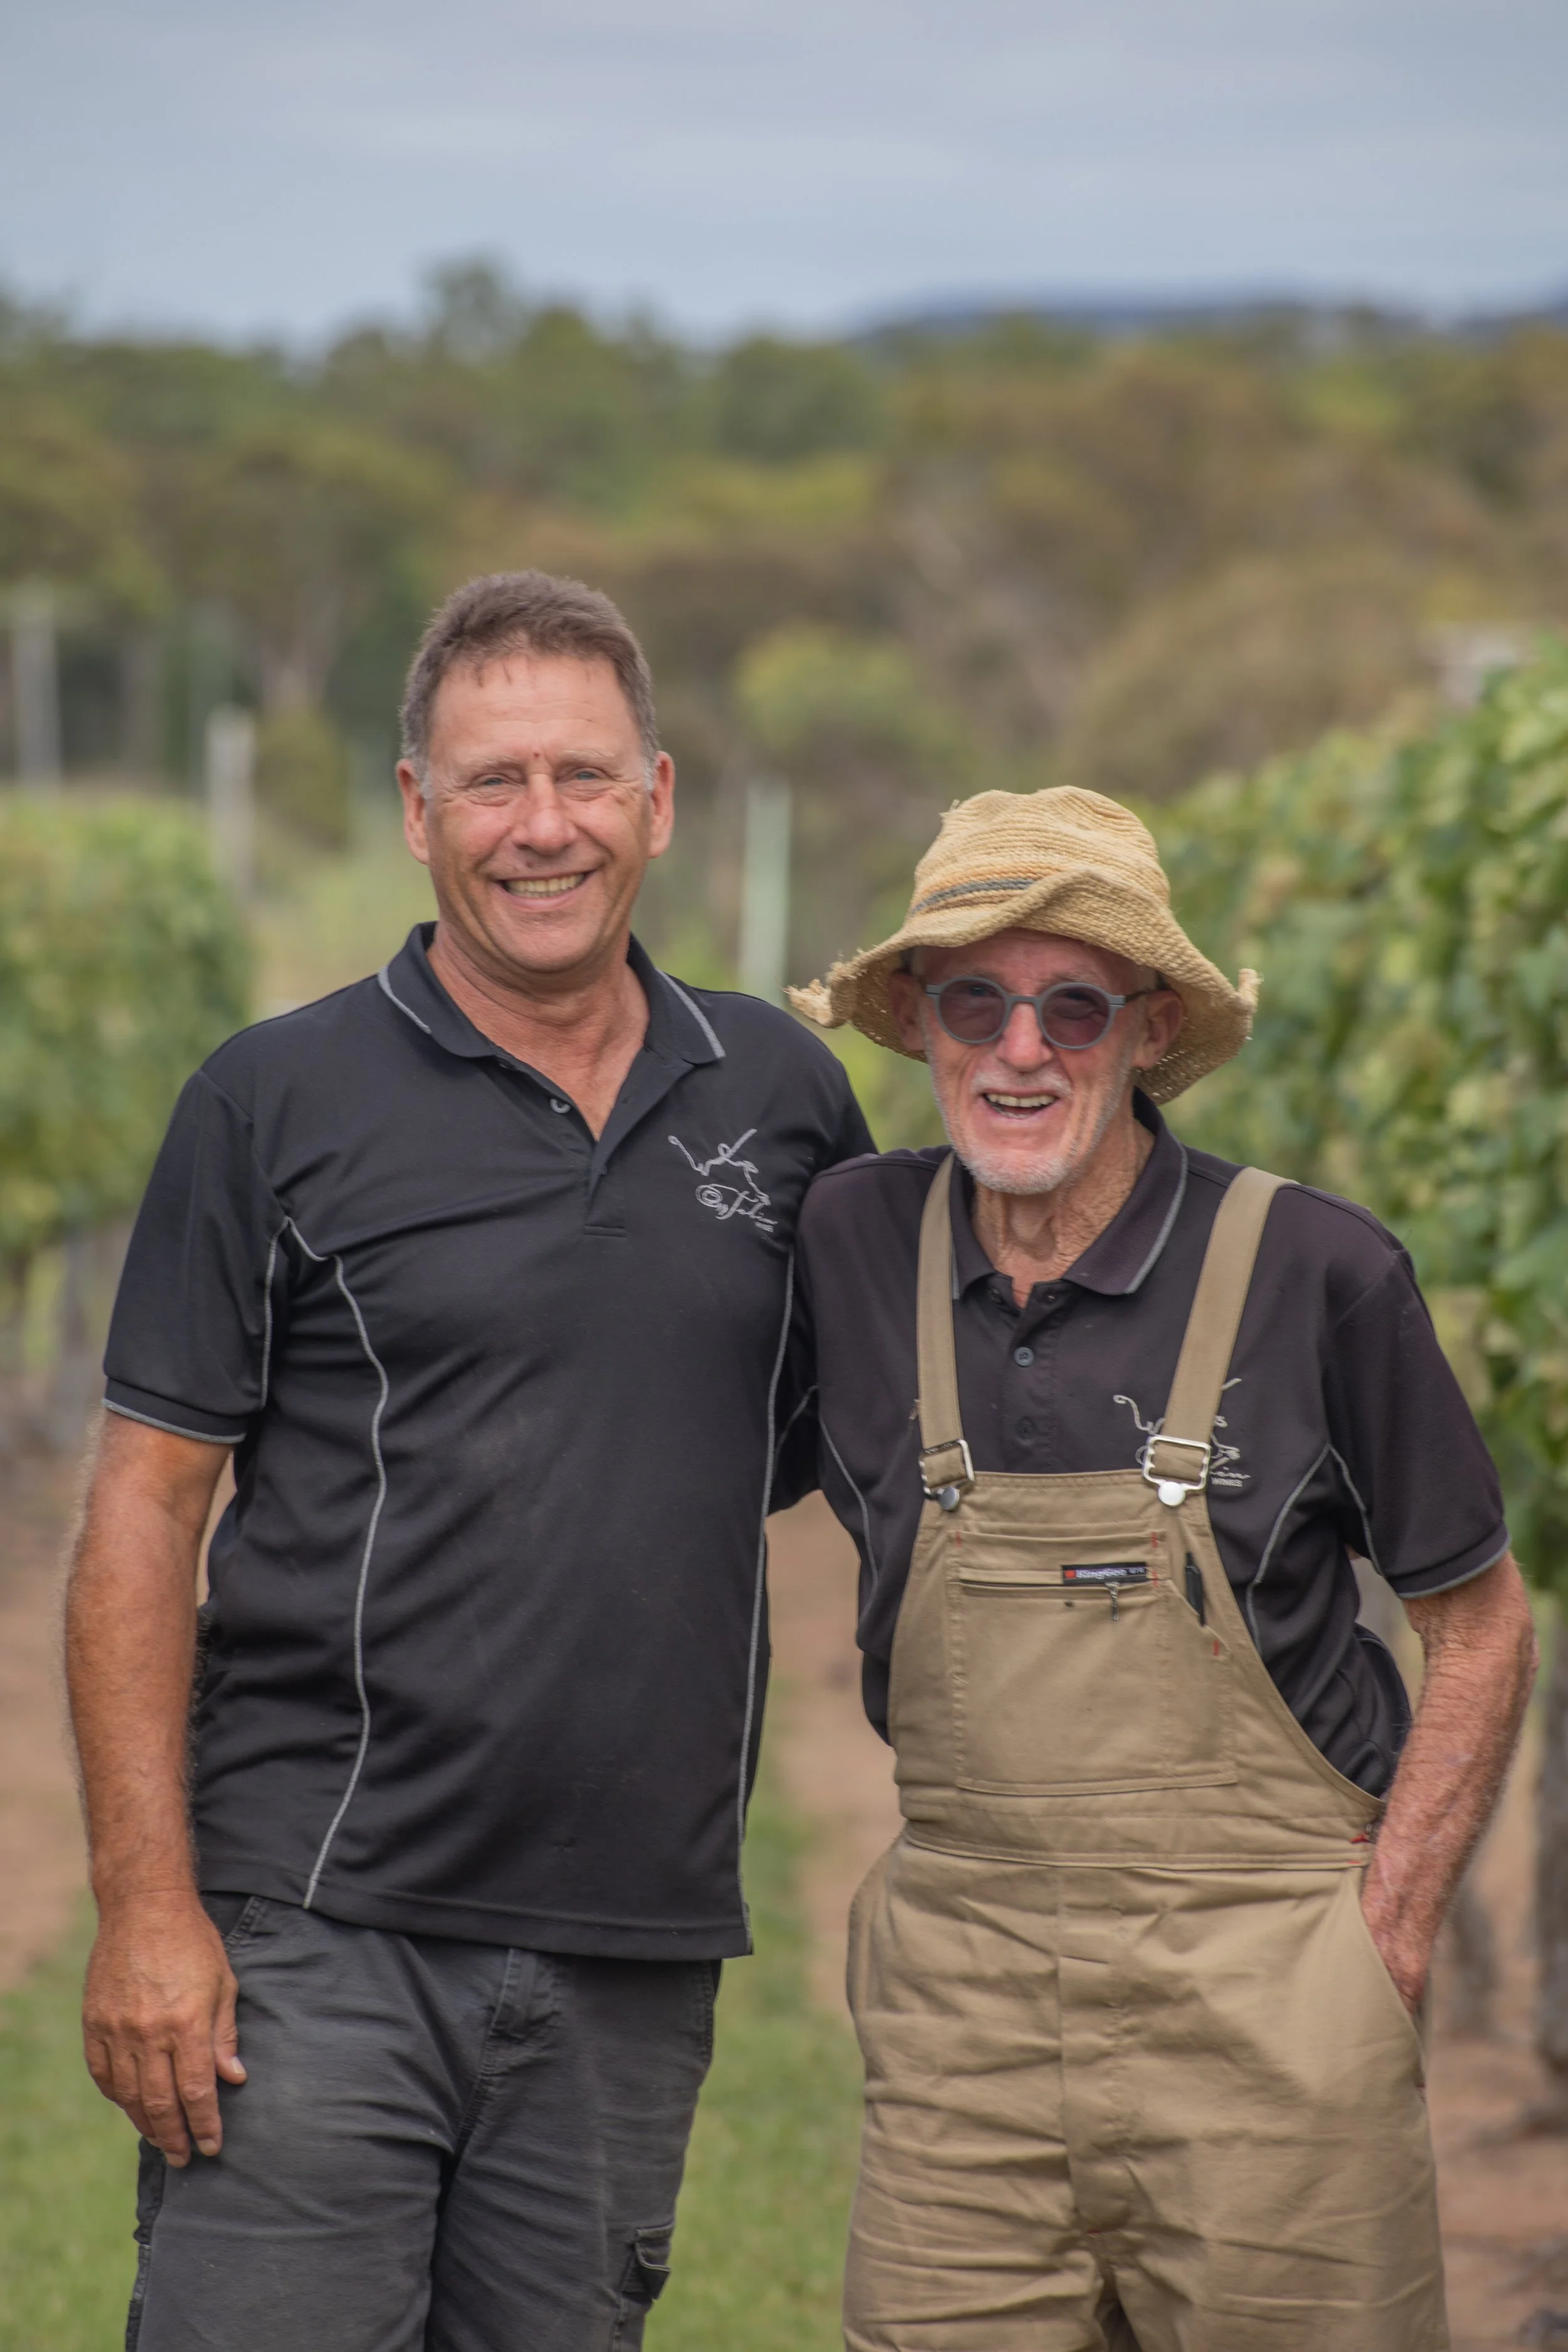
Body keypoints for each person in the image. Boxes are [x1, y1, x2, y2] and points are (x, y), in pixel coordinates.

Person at [67, 568, 872, 2352]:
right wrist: (146, 1907)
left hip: (631, 1940)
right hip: (319, 1918)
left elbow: (797, 1446)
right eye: (492, 782)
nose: (542, 826)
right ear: (418, 811)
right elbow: (142, 1507)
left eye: (583, 776)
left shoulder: (786, 1098)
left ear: (659, 801)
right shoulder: (272, 1098)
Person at [790, 785, 1539, 2352]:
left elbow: (1474, 1621)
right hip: (959, 2026)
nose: (1019, 1048)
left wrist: (1384, 1935)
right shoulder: (849, 1244)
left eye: (1073, 1005)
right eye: (976, 1000)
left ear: (1147, 1029)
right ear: (918, 1023)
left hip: (1269, 2006)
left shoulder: (1316, 1270)